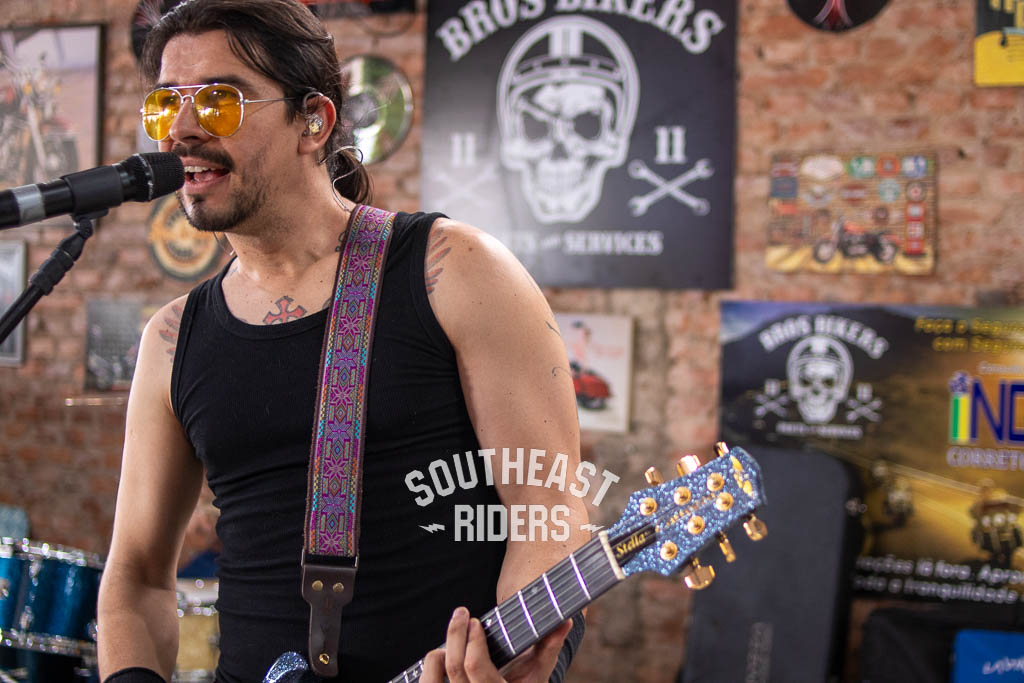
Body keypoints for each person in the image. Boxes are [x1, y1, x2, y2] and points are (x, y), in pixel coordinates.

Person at [95, 1, 590, 682]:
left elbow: (549, 511)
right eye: (165, 105)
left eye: (218, 101)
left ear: (314, 121)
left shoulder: (455, 270)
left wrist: (528, 658)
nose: (181, 129)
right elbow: (137, 574)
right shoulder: (172, 338)